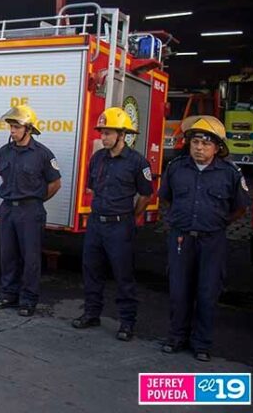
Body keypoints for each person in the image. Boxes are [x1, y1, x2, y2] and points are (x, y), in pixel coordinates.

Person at [159, 115, 249, 362]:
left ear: (218, 148)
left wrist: (216, 224)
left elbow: (239, 208)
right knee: (179, 291)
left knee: (208, 293)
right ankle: (176, 338)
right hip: (181, 239)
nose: (199, 147)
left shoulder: (230, 173)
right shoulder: (176, 168)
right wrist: (182, 220)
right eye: (195, 141)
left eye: (206, 143)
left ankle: (202, 344)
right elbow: (166, 198)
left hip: (213, 241)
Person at [70, 107, 153, 340]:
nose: (103, 137)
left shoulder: (137, 162)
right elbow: (93, 187)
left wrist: (130, 217)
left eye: (108, 133)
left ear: (122, 135)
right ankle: (91, 313)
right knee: (91, 271)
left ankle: (127, 322)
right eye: (102, 132)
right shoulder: (97, 158)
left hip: (120, 226)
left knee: (123, 275)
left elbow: (146, 195)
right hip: (96, 224)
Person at [0, 105, 61, 317]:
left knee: (30, 258)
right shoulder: (5, 151)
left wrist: (36, 200)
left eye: (16, 127)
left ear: (28, 129)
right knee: (8, 255)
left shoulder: (42, 154)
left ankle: (28, 300)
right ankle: (8, 294)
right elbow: (4, 176)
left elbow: (55, 183)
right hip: (9, 209)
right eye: (10, 127)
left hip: (30, 211)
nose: (12, 131)